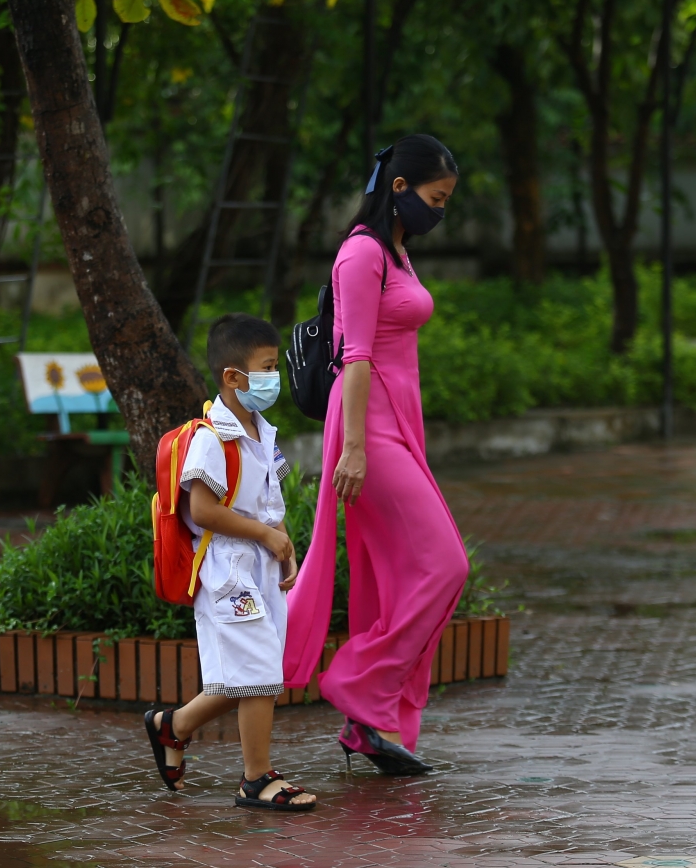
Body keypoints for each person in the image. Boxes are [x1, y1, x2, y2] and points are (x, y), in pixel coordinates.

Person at [282, 134, 470, 776]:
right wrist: (355, 450)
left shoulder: (397, 251)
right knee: (446, 565)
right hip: (368, 427)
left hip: (398, 424)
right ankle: (360, 686)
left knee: (397, 574)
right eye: (435, 198)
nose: (439, 211)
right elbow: (355, 356)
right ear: (398, 188)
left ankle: (367, 726)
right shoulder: (361, 255)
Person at [142, 313, 316, 811]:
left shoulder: (262, 429)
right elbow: (202, 509)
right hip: (228, 571)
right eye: (265, 368)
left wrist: (283, 544)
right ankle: (256, 779)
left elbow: (269, 502)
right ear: (233, 377)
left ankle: (171, 727)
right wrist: (265, 535)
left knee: (244, 675)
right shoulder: (210, 437)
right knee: (258, 669)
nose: (273, 377)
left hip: (259, 563)